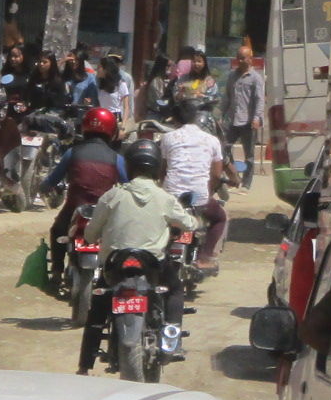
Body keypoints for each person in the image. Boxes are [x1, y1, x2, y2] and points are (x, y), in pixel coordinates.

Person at [77, 138, 198, 375]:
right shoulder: (165, 198)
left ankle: (84, 365)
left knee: (98, 310)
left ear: (129, 166)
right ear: (157, 167)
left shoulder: (111, 196)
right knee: (174, 290)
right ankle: (173, 339)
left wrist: (94, 238)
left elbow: (91, 233)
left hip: (115, 267)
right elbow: (190, 224)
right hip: (152, 266)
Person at [39, 104, 127, 273]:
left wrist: (44, 187)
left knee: (57, 230)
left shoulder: (72, 153)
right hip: (105, 212)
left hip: (74, 209)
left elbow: (52, 179)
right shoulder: (117, 158)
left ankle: (57, 270)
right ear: (112, 130)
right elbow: (128, 184)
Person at [161, 98, 229, 271]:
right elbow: (216, 174)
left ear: (175, 119)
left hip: (171, 196)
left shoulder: (167, 138)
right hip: (198, 197)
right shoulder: (212, 140)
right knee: (220, 218)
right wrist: (208, 191)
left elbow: (163, 170)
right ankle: (205, 257)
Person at [224, 47, 263, 190]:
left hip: (248, 121)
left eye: (243, 58)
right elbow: (227, 97)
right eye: (238, 58)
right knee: (225, 148)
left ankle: (247, 183)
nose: (240, 61)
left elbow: (259, 100)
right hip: (232, 119)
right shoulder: (231, 76)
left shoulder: (255, 78)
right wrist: (221, 115)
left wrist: (257, 118)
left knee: (249, 155)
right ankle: (234, 177)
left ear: (250, 59)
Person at [95, 52, 133, 120]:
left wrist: (127, 120)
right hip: (103, 116)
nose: (115, 63)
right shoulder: (100, 78)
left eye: (117, 61)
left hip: (118, 117)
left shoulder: (126, 78)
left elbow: (129, 102)